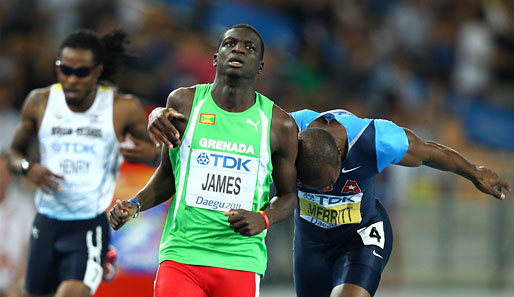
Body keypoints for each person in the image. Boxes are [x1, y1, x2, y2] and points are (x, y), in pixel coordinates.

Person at [146, 106, 510, 297]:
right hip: (311, 245)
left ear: (341, 155)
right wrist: (157, 115)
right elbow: (228, 125)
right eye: (310, 186)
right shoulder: (285, 129)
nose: (326, 190)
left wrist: (475, 171)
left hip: (361, 237)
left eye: (329, 183)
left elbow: (431, 154)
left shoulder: (377, 137)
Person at [107, 24, 298, 297]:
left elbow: (289, 196)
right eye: (230, 44)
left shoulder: (279, 125)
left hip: (239, 260)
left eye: (249, 47)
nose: (238, 50)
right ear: (215, 57)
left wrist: (263, 218)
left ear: (260, 67)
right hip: (181, 255)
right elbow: (168, 176)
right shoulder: (184, 104)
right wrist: (135, 204)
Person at [6, 29, 159, 297]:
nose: (71, 79)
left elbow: (156, 154)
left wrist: (145, 154)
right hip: (46, 222)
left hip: (87, 225)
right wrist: (29, 168)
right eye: (64, 70)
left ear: (97, 71)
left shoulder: (120, 108)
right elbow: (14, 156)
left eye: (81, 72)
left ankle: (99, 258)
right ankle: (103, 262)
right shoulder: (39, 102)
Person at [0, 154, 35, 297]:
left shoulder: (26, 206)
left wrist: (17, 286)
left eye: (3, 171)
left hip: (16, 287)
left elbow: (33, 250)